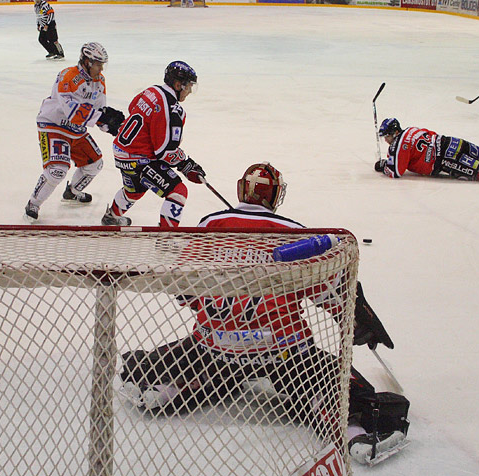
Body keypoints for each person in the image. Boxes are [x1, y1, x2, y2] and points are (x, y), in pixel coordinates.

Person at [119, 162, 410, 466]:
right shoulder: (295, 234)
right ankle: (354, 432)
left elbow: (184, 290)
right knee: (337, 384)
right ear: (274, 197)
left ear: (240, 189)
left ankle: (167, 386)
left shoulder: (208, 225)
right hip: (283, 352)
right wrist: (358, 320)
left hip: (214, 347)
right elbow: (332, 294)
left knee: (175, 358)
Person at [24, 42, 125, 222]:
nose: (101, 68)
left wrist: (113, 126)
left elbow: (99, 111)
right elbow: (73, 113)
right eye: (98, 64)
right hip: (53, 125)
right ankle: (34, 203)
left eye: (103, 64)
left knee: (95, 164)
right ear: (86, 61)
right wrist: (101, 119)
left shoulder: (99, 81)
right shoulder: (68, 76)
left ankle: (72, 192)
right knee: (57, 171)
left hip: (76, 129)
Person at [100, 61, 205, 227]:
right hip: (138, 158)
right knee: (178, 192)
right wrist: (186, 164)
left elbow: (132, 107)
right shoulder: (172, 110)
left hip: (120, 151)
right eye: (188, 86)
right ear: (178, 85)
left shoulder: (151, 90)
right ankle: (166, 238)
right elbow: (164, 151)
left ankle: (111, 217)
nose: (190, 91)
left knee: (134, 190)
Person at [375, 118, 479, 188]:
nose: (386, 140)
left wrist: (383, 166)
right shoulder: (413, 129)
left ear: (394, 133)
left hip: (445, 159)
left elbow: (396, 171)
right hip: (451, 143)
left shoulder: (398, 145)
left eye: (387, 136)